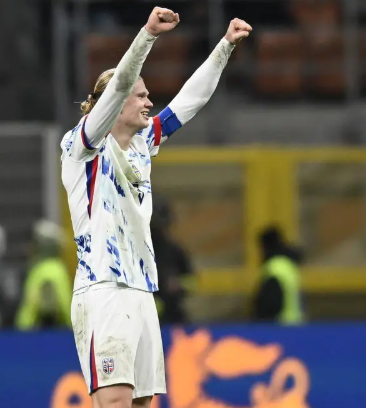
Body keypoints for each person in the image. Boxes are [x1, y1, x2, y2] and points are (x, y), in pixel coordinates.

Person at [60, 7, 251, 408]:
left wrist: (224, 47)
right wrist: (147, 34)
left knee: (142, 402)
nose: (150, 101)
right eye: (141, 95)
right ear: (114, 105)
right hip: (104, 289)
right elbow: (120, 84)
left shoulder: (143, 143)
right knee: (115, 401)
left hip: (142, 290)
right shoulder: (83, 146)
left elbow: (190, 101)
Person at [252, 226, 305, 325]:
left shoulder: (274, 268)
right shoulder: (288, 266)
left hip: (280, 327)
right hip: (295, 325)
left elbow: (269, 303)